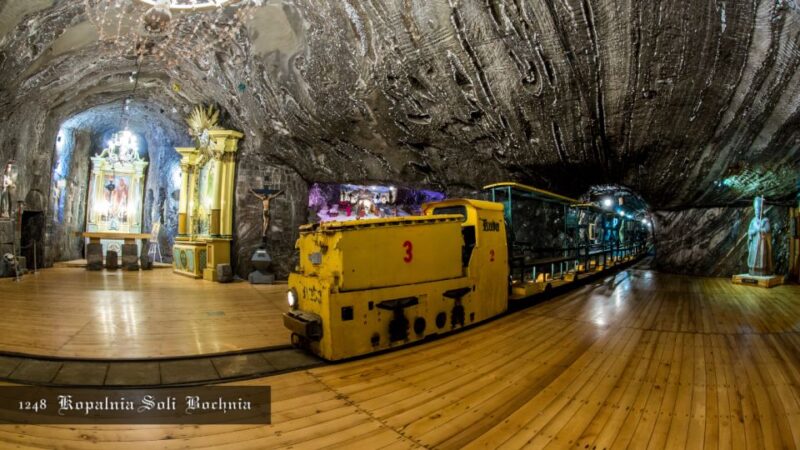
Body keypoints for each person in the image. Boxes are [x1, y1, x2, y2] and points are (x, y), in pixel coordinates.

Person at [747, 196, 773, 276]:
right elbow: (749, 231)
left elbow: (768, 229)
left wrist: (761, 230)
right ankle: (753, 269)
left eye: (758, 210)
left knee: (762, 257)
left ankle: (762, 270)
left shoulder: (765, 220)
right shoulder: (753, 221)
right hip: (754, 244)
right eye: (756, 210)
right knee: (753, 257)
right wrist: (753, 232)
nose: (757, 212)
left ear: (761, 211)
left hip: (762, 243)